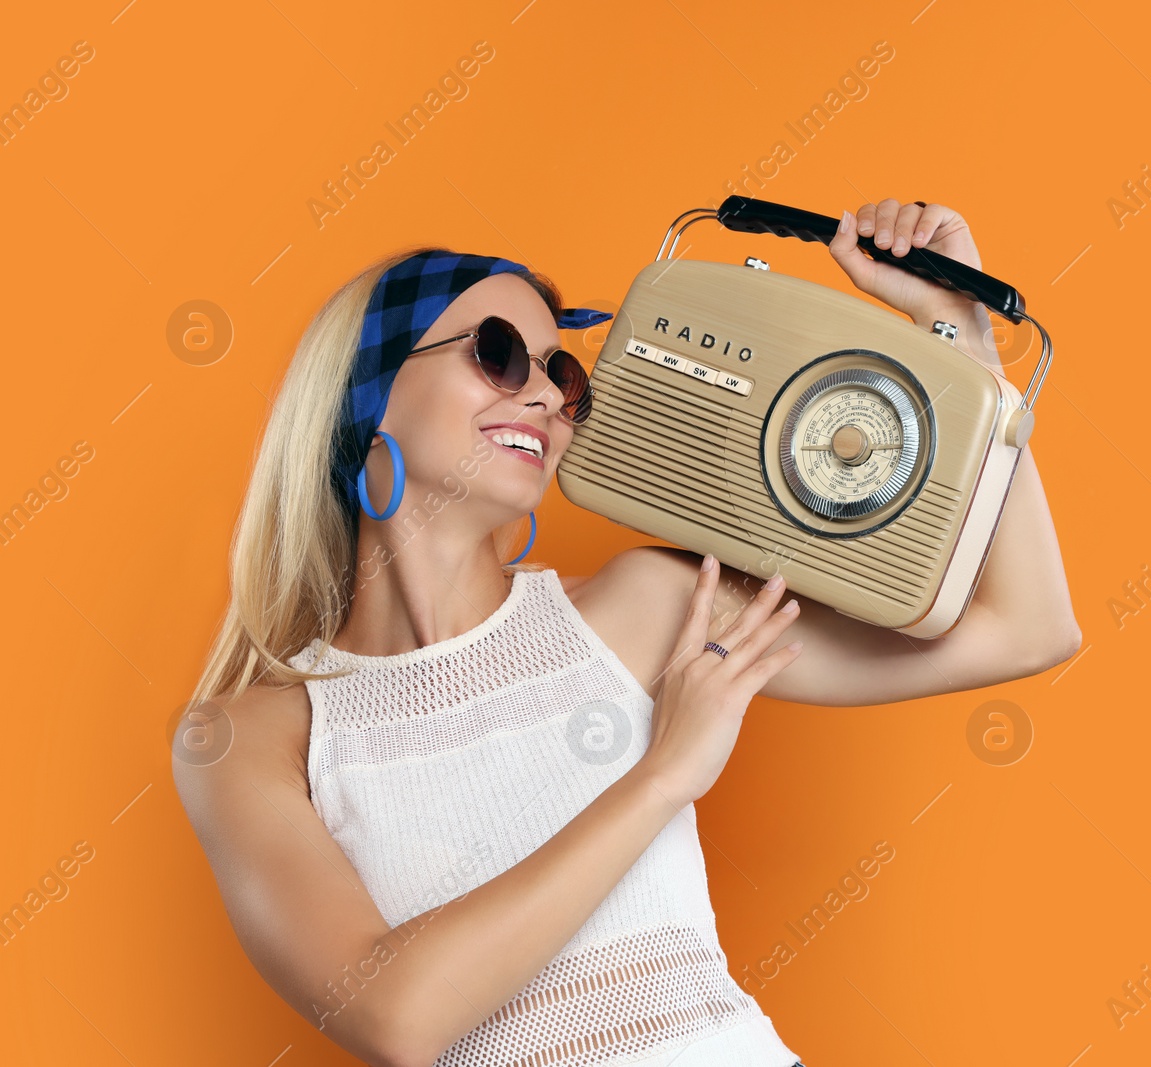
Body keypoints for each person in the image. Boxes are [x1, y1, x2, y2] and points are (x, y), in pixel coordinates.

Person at [171, 198, 1081, 1067]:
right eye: (498, 355)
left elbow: (1025, 628)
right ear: (364, 393)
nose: (543, 395)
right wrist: (662, 777)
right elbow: (396, 1017)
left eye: (560, 372)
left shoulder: (643, 605)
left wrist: (962, 336)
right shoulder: (251, 738)